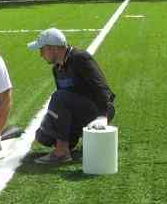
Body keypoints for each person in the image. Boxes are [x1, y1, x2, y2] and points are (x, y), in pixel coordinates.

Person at [27, 28, 115, 164]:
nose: (41, 55)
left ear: (53, 48)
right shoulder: (57, 69)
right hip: (80, 110)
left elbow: (102, 88)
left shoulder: (79, 58)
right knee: (44, 136)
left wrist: (103, 116)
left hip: (99, 108)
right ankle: (71, 142)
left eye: (42, 50)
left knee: (59, 97)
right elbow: (63, 108)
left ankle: (62, 152)